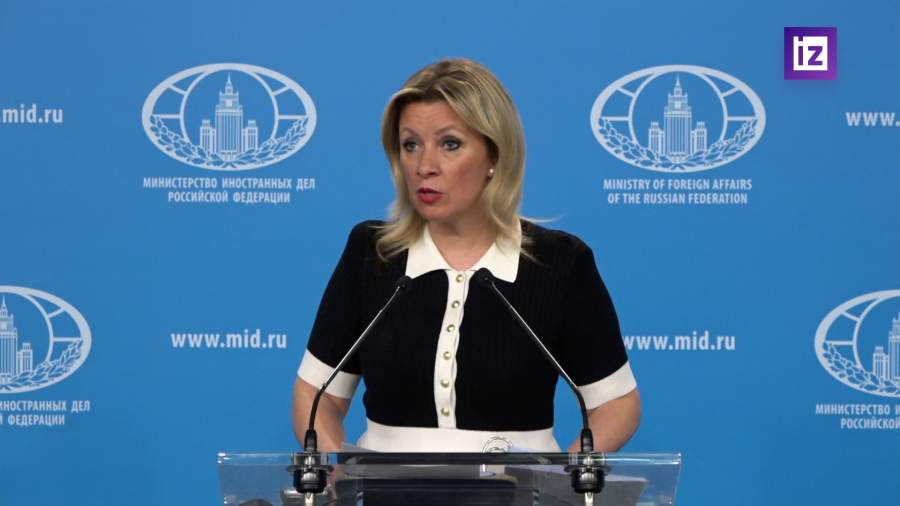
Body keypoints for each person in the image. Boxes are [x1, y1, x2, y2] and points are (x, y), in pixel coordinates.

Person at [292, 58, 640, 453]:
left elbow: (616, 403)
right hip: (381, 485)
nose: (425, 166)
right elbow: (315, 394)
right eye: (410, 145)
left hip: (523, 485)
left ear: (494, 154)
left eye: (450, 144)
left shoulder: (559, 262)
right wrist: (337, 472)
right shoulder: (372, 254)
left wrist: (563, 477)